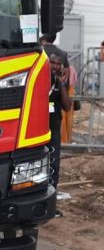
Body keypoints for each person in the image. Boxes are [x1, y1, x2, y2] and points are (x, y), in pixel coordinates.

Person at [48, 53, 73, 189]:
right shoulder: (39, 78)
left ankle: (52, 189)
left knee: (53, 161)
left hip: (53, 127)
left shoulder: (60, 81)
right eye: (53, 62)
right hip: (36, 129)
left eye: (58, 64)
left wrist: (62, 83)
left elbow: (67, 106)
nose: (55, 66)